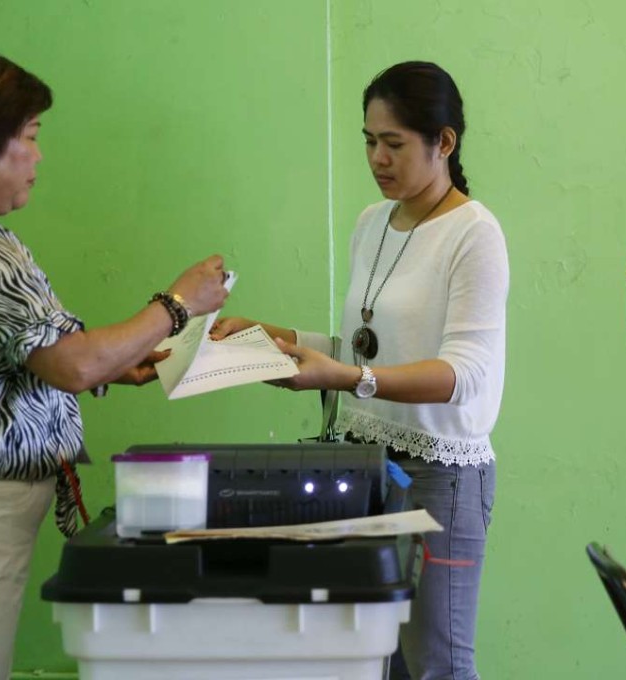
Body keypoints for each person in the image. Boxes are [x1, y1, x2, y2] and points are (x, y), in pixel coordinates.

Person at [0, 51, 229, 680]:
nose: (38, 156)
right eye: (30, 137)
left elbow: (2, 355)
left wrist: (114, 362)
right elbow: (71, 364)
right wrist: (175, 305)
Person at [212, 61, 508, 679]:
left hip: (441, 478)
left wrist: (346, 379)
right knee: (376, 662)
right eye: (369, 141)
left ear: (444, 143)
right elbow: (362, 348)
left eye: (394, 143)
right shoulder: (372, 223)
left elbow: (466, 374)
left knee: (438, 665)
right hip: (370, 466)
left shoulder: (474, 233)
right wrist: (270, 338)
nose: (377, 158)